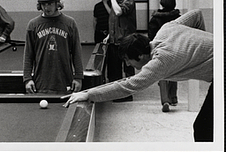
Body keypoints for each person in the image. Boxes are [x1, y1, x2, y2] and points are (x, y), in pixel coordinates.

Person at [63, 9, 213, 142]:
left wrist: (88, 95)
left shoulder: (160, 61)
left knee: (203, 129)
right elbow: (197, 15)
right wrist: (205, 47)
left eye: (128, 61)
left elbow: (127, 86)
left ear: (140, 56)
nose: (128, 65)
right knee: (206, 128)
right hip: (218, 72)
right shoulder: (166, 30)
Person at [23, 0, 83, 95]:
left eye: (50, 3)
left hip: (65, 81)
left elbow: (76, 51)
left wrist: (78, 77)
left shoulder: (70, 23)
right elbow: (28, 54)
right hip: (41, 83)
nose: (46, 7)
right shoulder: (33, 25)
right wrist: (27, 78)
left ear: (57, 3)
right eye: (43, 4)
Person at [103, 0, 137, 102]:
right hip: (115, 40)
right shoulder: (115, 1)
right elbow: (113, 20)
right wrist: (109, 35)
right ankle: (116, 93)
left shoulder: (129, 0)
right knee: (114, 69)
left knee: (128, 68)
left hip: (126, 40)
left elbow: (118, 12)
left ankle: (128, 94)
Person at [148, 0, 181, 112]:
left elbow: (151, 35)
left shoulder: (156, 18)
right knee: (174, 72)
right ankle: (173, 98)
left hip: (161, 48)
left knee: (162, 74)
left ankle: (165, 100)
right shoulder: (178, 17)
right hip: (175, 47)